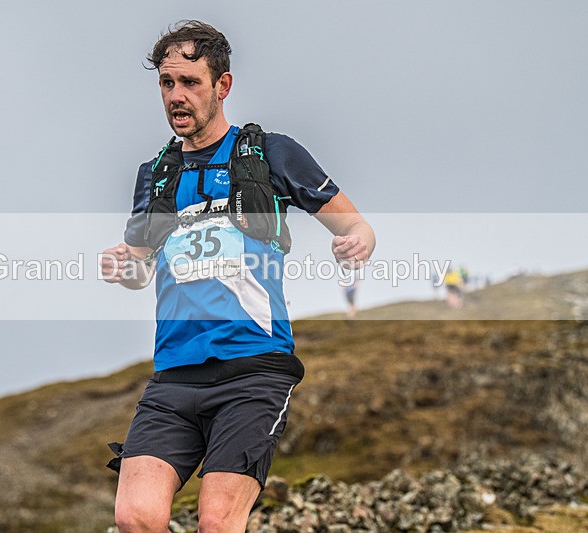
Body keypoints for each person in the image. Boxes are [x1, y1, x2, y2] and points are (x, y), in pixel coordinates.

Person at [99, 20, 375, 533]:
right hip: (174, 377)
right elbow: (139, 266)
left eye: (190, 83)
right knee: (135, 518)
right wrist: (124, 266)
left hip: (254, 371)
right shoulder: (156, 174)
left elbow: (354, 222)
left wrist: (357, 239)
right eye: (166, 83)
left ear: (222, 86)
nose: (176, 96)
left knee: (218, 524)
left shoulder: (270, 153)